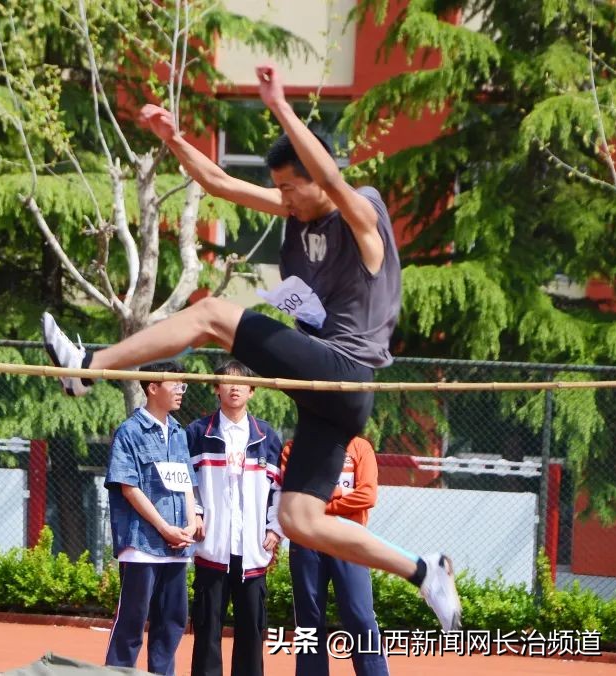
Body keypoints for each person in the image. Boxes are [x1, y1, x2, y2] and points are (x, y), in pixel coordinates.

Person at [40, 62, 461, 631]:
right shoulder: (295, 211)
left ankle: (88, 368)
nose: (283, 199)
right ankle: (423, 570)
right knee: (297, 517)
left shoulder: (360, 214)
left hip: (346, 370)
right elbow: (219, 183)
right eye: (280, 188)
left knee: (212, 314)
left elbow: (334, 182)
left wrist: (280, 105)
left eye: (292, 187)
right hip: (324, 395)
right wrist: (174, 140)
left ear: (317, 177)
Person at [185, 360, 284, 676]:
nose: (235, 387)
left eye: (242, 382)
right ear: (216, 388)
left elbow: (280, 490)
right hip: (212, 547)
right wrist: (195, 514)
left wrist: (275, 528)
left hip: (253, 551)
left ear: (253, 391)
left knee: (252, 633)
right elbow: (186, 483)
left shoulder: (267, 436)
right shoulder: (198, 433)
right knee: (206, 631)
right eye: (227, 381)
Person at [104, 361, 197, 676]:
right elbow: (129, 488)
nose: (181, 391)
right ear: (152, 387)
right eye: (176, 385)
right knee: (131, 623)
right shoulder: (129, 431)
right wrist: (163, 527)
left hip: (176, 549)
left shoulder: (178, 433)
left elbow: (185, 484)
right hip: (142, 544)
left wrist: (192, 519)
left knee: (171, 623)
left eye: (183, 385)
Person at [283, 436, 390, 676]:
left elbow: (367, 496)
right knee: (309, 621)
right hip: (306, 541)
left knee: (360, 616)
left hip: (349, 539)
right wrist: (342, 494)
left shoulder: (360, 447)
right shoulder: (294, 448)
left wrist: (320, 503)